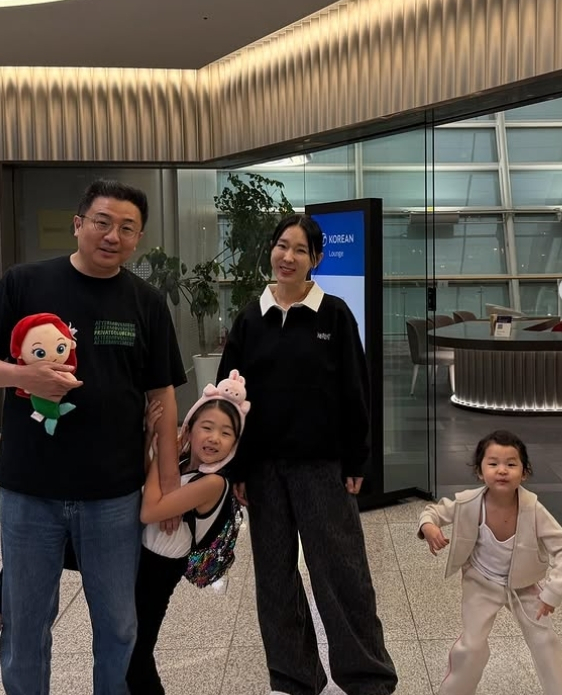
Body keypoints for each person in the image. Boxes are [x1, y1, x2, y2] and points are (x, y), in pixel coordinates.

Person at [0, 179, 186, 695]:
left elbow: (162, 395)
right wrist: (24, 377)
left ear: (138, 238)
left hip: (113, 495)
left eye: (127, 228)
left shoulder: (146, 302)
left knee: (119, 625)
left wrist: (170, 484)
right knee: (24, 626)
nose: (112, 236)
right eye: (102, 222)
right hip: (29, 490)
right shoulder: (23, 283)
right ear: (78, 224)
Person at [217, 213, 397, 695]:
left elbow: (356, 392)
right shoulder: (250, 318)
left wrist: (358, 460)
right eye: (282, 245)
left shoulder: (334, 315)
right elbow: (227, 400)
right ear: (271, 250)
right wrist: (236, 468)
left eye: (300, 249)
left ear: (316, 258)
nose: (288, 256)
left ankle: (367, 677)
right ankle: (293, 676)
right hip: (263, 472)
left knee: (341, 574)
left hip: (322, 468)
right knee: (275, 579)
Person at [126, 371, 250, 695]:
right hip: (142, 557)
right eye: (207, 427)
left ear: (235, 445)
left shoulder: (214, 483)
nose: (214, 438)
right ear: (189, 428)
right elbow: (147, 487)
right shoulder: (181, 465)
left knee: (136, 657)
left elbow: (149, 510)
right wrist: (151, 439)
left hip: (159, 571)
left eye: (226, 433)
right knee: (130, 651)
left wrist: (161, 455)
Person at [418, 429, 562, 695]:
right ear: (479, 471)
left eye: (511, 464)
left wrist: (553, 591)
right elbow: (433, 512)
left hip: (525, 586)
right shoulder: (468, 502)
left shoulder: (534, 510)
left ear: (524, 473)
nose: (502, 470)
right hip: (481, 582)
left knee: (546, 641)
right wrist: (428, 526)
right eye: (493, 463)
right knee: (471, 647)